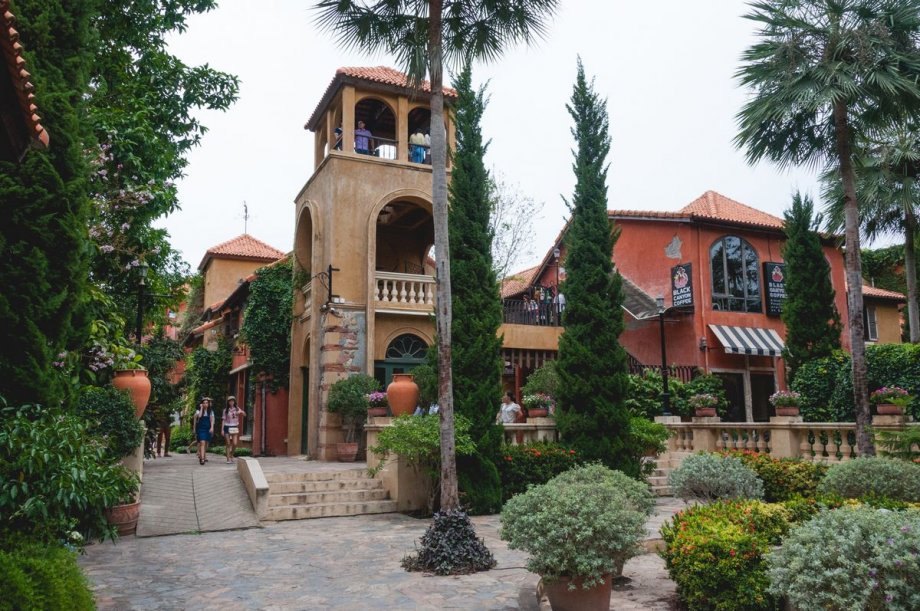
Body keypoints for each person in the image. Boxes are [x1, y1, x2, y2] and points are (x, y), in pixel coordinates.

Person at [222, 396, 245, 463]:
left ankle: (231, 455)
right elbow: (223, 420)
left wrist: (241, 412)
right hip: (227, 427)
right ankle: (228, 459)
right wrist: (222, 430)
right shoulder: (225, 410)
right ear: (228, 402)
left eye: (232, 401)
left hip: (234, 427)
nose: (231, 402)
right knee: (228, 443)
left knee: (235, 443)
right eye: (230, 401)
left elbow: (244, 414)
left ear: (234, 402)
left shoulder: (237, 409)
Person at [193, 397, 214, 465]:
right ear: (202, 404)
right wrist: (201, 408)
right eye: (204, 403)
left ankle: (202, 455)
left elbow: (212, 420)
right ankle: (202, 459)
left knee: (206, 444)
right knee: (202, 442)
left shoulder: (210, 411)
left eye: (206, 403)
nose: (205, 404)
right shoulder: (198, 411)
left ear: (208, 404)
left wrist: (212, 428)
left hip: (208, 428)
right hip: (201, 429)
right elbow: (199, 416)